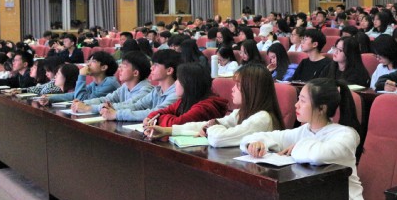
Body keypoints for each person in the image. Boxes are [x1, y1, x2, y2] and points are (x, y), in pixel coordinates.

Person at [240, 78, 365, 200]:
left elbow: (318, 155)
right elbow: (264, 136)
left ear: (321, 108)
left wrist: (296, 147)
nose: (296, 105)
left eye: (303, 101)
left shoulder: (346, 134)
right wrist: (254, 143)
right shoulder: (304, 130)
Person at [145, 63, 284, 147]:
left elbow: (219, 138)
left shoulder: (262, 118)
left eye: (238, 85)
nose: (233, 89)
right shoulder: (240, 113)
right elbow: (202, 125)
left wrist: (210, 127)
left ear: (251, 90)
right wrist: (167, 131)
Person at [101, 50, 182, 122]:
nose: (151, 68)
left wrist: (117, 114)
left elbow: (155, 113)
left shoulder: (176, 94)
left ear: (169, 70)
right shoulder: (157, 90)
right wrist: (113, 108)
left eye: (156, 65)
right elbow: (138, 105)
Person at [142, 62, 229, 128]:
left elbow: (176, 124)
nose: (175, 83)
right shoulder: (184, 101)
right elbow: (162, 111)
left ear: (189, 84)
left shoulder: (205, 107)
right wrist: (151, 117)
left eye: (178, 80)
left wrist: (157, 119)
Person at [71, 51, 153, 114]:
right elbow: (106, 99)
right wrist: (83, 103)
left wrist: (89, 108)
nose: (120, 69)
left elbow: (128, 106)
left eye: (124, 67)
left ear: (135, 73)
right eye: (120, 66)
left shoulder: (146, 90)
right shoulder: (124, 87)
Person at [48, 51, 120, 103]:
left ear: (103, 67)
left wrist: (82, 75)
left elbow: (82, 100)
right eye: (88, 61)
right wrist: (49, 98)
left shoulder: (110, 83)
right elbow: (75, 95)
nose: (88, 64)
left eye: (93, 61)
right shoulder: (95, 83)